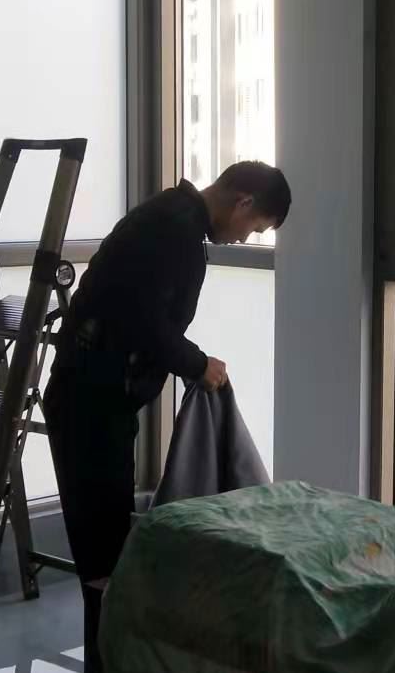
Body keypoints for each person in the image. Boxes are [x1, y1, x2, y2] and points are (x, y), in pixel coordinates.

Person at [45, 161, 291, 586]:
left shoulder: (169, 215)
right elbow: (142, 321)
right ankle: (108, 628)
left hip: (89, 391)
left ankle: (106, 623)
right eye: (253, 228)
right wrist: (197, 365)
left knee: (101, 540)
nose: (243, 238)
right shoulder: (175, 232)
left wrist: (192, 363)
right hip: (92, 403)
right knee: (104, 551)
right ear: (243, 202)